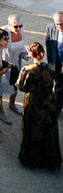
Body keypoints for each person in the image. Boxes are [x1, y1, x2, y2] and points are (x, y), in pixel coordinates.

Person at [17, 41, 61, 170]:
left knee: (32, 130)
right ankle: (49, 160)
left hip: (34, 103)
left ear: (31, 54)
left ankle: (31, 159)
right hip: (48, 101)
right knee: (48, 130)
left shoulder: (28, 69)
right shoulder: (51, 67)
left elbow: (21, 87)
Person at [0, 14, 30, 125]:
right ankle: (1, 111)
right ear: (9, 25)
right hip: (4, 64)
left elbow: (21, 48)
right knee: (1, 87)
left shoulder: (21, 32)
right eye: (16, 27)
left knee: (15, 85)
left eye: (20, 26)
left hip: (16, 64)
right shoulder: (2, 32)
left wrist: (25, 55)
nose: (19, 29)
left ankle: (12, 104)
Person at [45, 10, 63, 112]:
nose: (59, 27)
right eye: (57, 24)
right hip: (56, 64)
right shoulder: (50, 28)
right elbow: (49, 47)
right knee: (58, 86)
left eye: (62, 24)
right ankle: (57, 107)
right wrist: (51, 64)